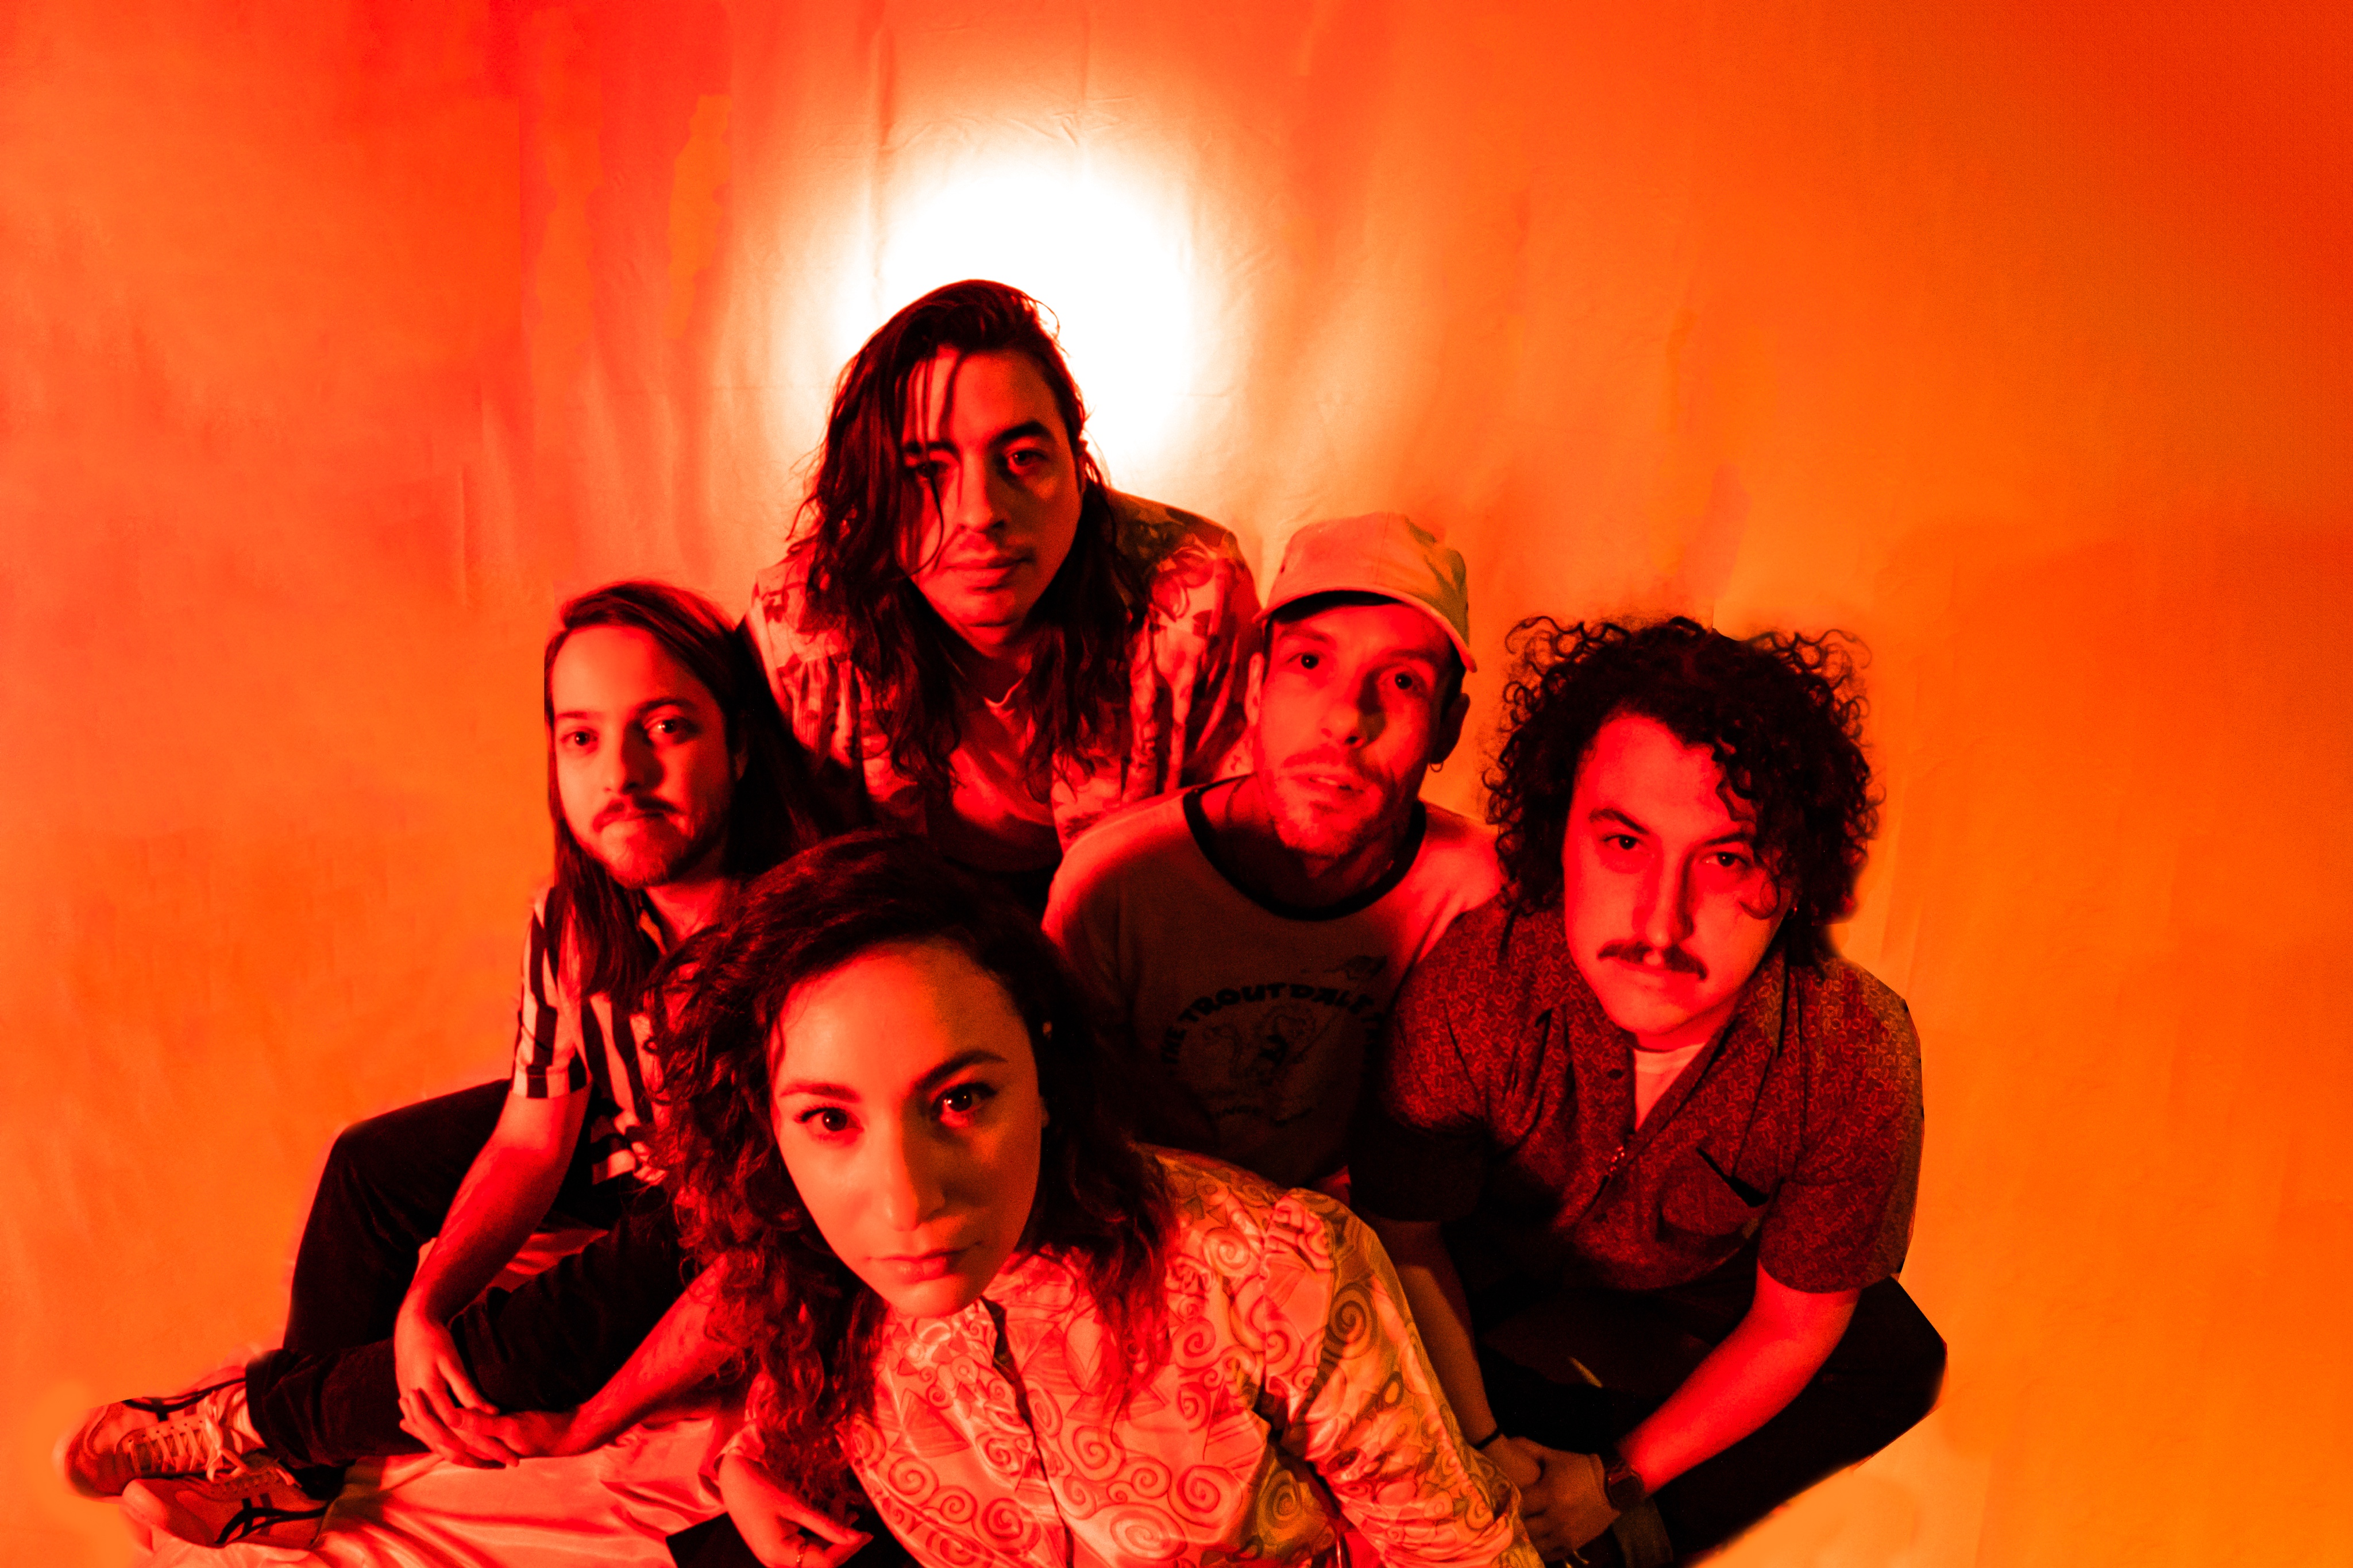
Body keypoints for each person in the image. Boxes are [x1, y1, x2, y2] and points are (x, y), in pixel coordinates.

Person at [59, 581, 823, 1550]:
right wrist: (426, 1304)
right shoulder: (576, 921)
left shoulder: (804, 932)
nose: (621, 774)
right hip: (627, 1145)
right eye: (582, 738)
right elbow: (531, 1139)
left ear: (739, 746)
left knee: (524, 1340)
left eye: (664, 728)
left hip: (722, 1201)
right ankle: (301, 1482)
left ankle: (255, 1418)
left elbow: (764, 1238)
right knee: (371, 1164)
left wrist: (587, 1416)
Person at [655, 832, 1540, 1568]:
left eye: (960, 1099)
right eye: (829, 1119)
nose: (905, 1202)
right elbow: (782, 1409)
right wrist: (744, 1467)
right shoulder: (812, 1276)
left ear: (1043, 1073)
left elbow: (1465, 1555)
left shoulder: (1269, 1269)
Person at [1350, 617, 1946, 1567]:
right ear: (1560, 835)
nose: (1661, 920)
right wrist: (1487, 1447)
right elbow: (1404, 1237)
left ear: (1796, 873)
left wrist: (1614, 1481)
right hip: (1496, 1243)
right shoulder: (1478, 978)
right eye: (1625, 842)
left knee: (1898, 1364)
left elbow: (1795, 1323)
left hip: (1703, 1266)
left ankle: (1626, 1529)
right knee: (1354, 1311)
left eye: (1727, 858)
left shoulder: (1853, 1049)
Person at [747, 279, 1258, 913]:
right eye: (926, 471)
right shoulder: (801, 627)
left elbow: (1234, 873)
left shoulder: (1195, 595)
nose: (981, 513)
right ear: (874, 488)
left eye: (1021, 458)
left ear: (1079, 466)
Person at [1043, 512, 1499, 1191]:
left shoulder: (1479, 892)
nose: (1346, 717)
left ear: (1448, 729)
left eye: (1403, 681)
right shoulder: (1114, 883)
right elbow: (1069, 1125)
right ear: (1255, 692)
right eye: (1309, 662)